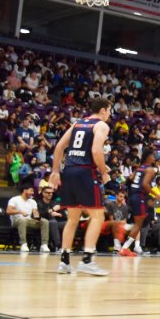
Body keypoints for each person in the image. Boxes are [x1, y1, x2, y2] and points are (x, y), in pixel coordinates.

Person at [49, 98, 113, 275]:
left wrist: (55, 171)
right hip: (85, 172)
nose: (109, 114)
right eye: (109, 110)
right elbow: (95, 151)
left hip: (69, 170)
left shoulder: (78, 124)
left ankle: (64, 262)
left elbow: (60, 146)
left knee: (72, 218)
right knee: (98, 216)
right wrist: (104, 172)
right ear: (103, 110)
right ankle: (87, 259)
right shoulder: (101, 125)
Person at [121, 148, 158, 256]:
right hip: (139, 196)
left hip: (132, 196)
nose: (154, 158)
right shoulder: (150, 169)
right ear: (149, 157)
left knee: (140, 221)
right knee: (139, 224)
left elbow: (129, 179)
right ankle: (125, 247)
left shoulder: (139, 168)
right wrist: (157, 195)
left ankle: (129, 244)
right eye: (153, 156)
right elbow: (145, 185)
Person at [6, 184, 47, 252]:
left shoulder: (33, 201)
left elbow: (35, 212)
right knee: (22, 220)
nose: (32, 193)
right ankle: (23, 243)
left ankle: (44, 244)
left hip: (29, 220)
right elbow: (8, 211)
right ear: (25, 190)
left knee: (44, 221)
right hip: (17, 220)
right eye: (31, 191)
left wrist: (37, 218)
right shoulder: (14, 199)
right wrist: (20, 212)